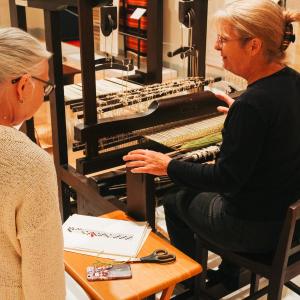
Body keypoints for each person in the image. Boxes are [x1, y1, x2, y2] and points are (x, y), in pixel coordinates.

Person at [123, 0, 300, 290]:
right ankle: (228, 275)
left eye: (223, 39)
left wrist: (168, 165)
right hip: (289, 224)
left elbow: (225, 180)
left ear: (254, 45)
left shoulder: (253, 105)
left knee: (174, 198)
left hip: (256, 229)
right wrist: (244, 119)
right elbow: (280, 128)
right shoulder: (292, 82)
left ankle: (193, 287)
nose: (217, 46)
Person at [0, 27, 65, 299]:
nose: (46, 92)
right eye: (46, 84)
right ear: (24, 85)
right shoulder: (29, 163)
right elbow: (44, 281)